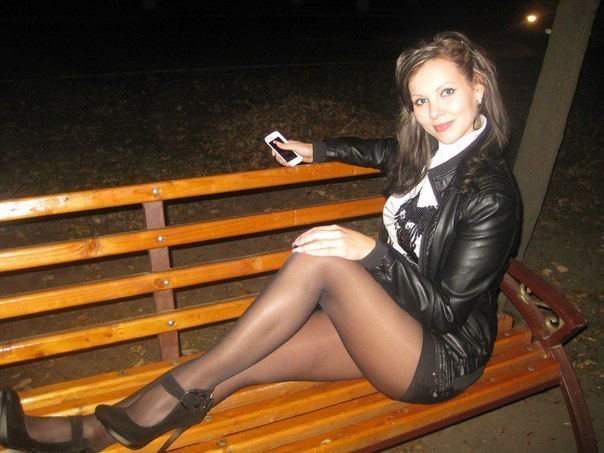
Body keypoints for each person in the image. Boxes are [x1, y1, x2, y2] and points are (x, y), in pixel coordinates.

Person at [0, 31, 521, 453]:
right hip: (392, 319)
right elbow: (381, 150)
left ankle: (159, 406)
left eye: (446, 93)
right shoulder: (427, 151)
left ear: (478, 88)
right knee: (237, 362)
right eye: (421, 101)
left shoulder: (491, 195)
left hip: (438, 355)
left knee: (323, 261)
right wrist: (313, 149)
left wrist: (371, 252)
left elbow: (447, 311)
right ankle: (86, 435)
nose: (434, 112)